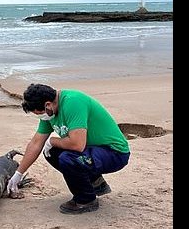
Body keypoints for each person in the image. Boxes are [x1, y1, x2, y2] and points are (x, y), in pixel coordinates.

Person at [7, 83, 130, 214]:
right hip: (93, 151)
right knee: (50, 152)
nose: (41, 117)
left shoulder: (73, 102)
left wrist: (53, 140)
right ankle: (96, 183)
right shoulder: (49, 112)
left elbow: (77, 145)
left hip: (114, 152)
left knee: (68, 158)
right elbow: (36, 143)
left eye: (39, 113)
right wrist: (18, 174)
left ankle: (86, 200)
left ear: (47, 105)